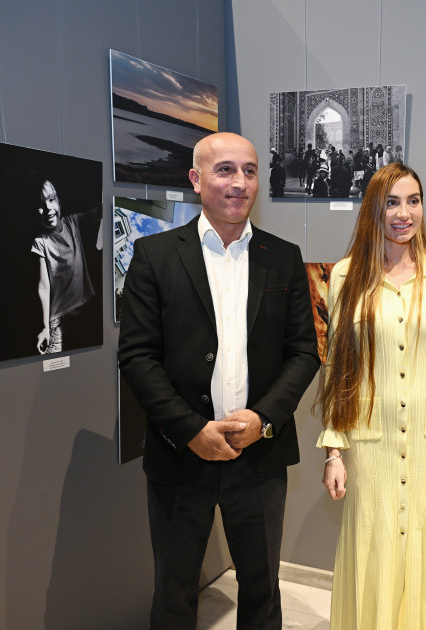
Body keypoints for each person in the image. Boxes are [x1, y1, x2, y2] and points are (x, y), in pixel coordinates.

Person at [118, 132, 320, 630]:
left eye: (249, 170)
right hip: (180, 454)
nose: (240, 182)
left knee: (261, 592)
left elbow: (303, 353)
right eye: (225, 169)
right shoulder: (154, 255)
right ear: (196, 179)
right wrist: (191, 430)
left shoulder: (283, 256)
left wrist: (264, 419)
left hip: (260, 457)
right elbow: (138, 357)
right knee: (174, 594)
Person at [317, 163, 426, 629]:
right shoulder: (345, 276)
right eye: (391, 202)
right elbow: (337, 366)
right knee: (371, 540)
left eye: (413, 201)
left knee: (425, 541)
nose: (403, 213)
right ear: (373, 208)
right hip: (367, 437)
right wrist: (334, 451)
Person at [31, 179, 100, 354]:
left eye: (51, 200)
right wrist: (45, 327)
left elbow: (98, 212)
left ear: (59, 202)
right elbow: (43, 286)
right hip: (58, 319)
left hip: (85, 308)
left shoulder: (72, 223)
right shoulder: (41, 242)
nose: (48, 208)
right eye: (40, 205)